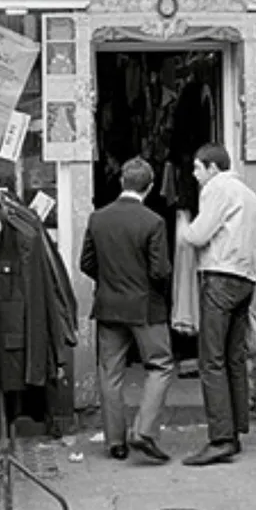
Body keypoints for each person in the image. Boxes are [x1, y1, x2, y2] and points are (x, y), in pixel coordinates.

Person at [176, 143, 256, 466]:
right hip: (246, 278)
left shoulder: (217, 188)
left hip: (220, 276)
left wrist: (183, 226)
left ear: (212, 167)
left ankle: (220, 438)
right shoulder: (251, 195)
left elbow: (199, 235)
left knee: (211, 359)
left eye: (198, 169)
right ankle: (236, 429)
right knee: (234, 357)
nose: (195, 176)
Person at [80, 157, 174, 463]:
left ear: (122, 182)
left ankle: (115, 442)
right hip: (146, 306)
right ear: (148, 187)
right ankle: (144, 431)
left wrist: (108, 281)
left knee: (111, 373)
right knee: (159, 365)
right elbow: (160, 271)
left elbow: (86, 263)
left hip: (108, 305)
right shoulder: (153, 222)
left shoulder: (98, 218)